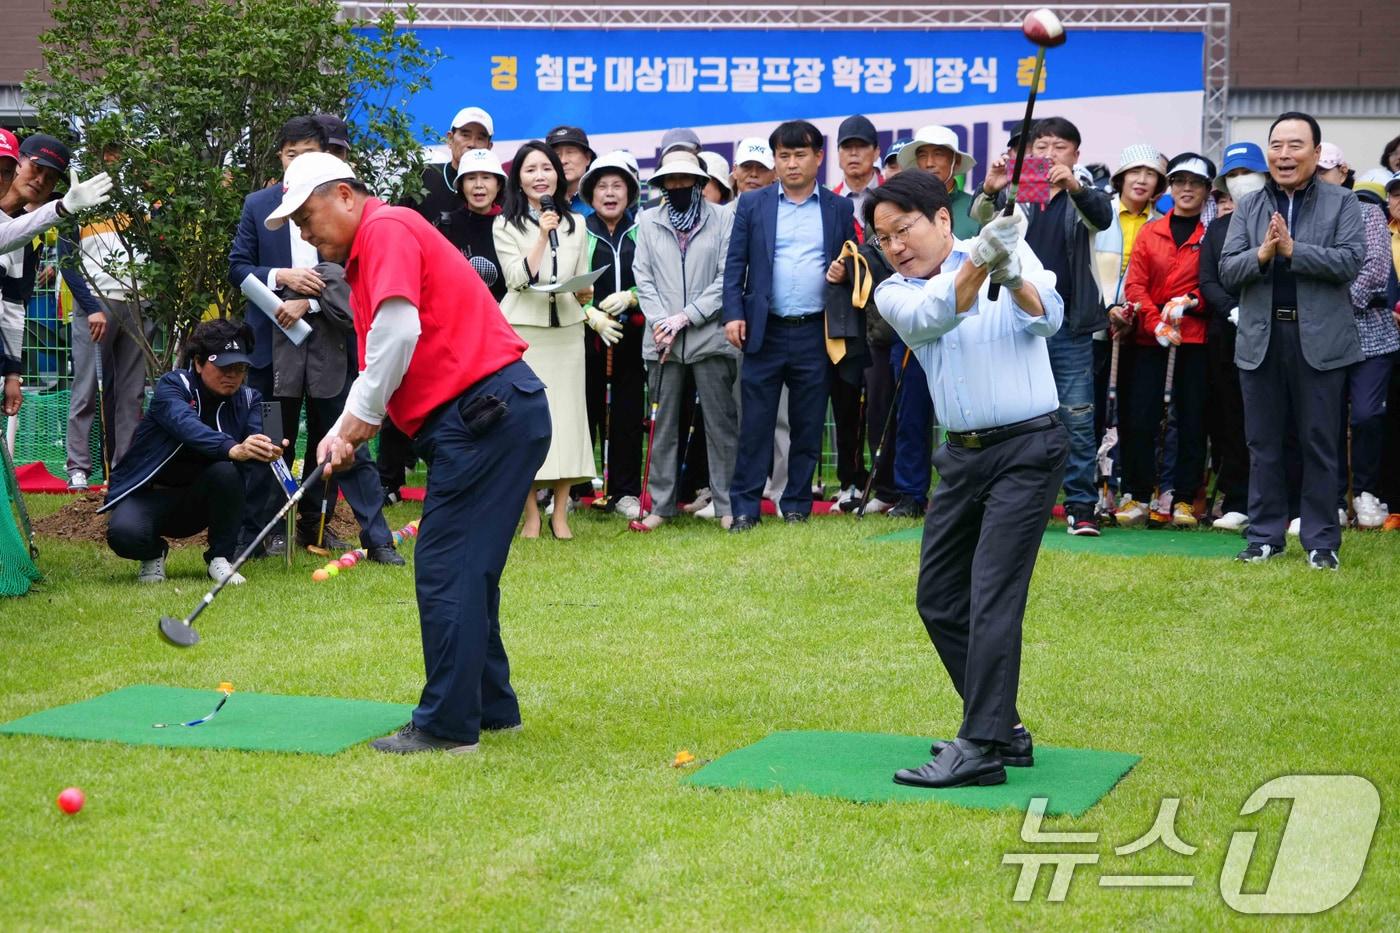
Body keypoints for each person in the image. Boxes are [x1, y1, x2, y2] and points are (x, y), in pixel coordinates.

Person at [272, 152, 550, 755]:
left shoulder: (386, 228)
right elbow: (383, 355)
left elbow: (399, 334)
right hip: (495, 413)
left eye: (306, 215)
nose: (303, 232)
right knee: (467, 565)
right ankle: (493, 708)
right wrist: (346, 424)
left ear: (345, 195)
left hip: (487, 415)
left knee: (447, 565)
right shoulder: (368, 252)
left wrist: (357, 419)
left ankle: (449, 726)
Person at [867, 170, 1066, 789]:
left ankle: (980, 744)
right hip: (961, 456)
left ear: (943, 219)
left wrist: (1012, 274)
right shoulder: (893, 293)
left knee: (992, 593)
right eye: (884, 237)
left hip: (1029, 446)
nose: (895, 245)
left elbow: (1049, 316)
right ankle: (1003, 728)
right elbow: (936, 314)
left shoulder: (1005, 241)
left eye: (904, 229)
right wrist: (984, 258)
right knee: (938, 597)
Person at [227, 115, 400, 563]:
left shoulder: (345, 213)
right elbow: (238, 267)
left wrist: (312, 301)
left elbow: (351, 277)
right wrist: (280, 278)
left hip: (331, 347)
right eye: (290, 155)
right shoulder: (258, 204)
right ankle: (255, 534)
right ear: (278, 157)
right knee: (268, 440)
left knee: (343, 441)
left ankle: (352, 532)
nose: (298, 163)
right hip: (271, 353)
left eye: (308, 155)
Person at [1220, 112, 1366, 570]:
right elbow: (1227, 271)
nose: (1284, 155)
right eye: (1277, 145)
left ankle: (1322, 541)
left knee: (1319, 441)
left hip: (1321, 341)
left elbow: (1350, 261)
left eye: (1295, 145)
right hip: (1261, 339)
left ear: (1317, 153)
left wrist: (1293, 250)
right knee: (1262, 443)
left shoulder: (1343, 203)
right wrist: (1263, 254)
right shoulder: (1248, 206)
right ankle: (1264, 536)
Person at [973, 117, 1114, 536]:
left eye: (1058, 147)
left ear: (1075, 154)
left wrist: (1073, 185)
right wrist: (991, 187)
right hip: (1018, 319)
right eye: (1041, 147)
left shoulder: (1083, 195)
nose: (1048, 154)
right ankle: (1011, 502)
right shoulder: (1024, 192)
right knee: (1010, 415)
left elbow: (1102, 218)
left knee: (1076, 417)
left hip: (1069, 324)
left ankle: (1081, 506)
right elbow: (982, 221)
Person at [723, 120, 856, 530]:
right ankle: (745, 505)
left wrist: (844, 270)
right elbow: (735, 266)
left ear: (819, 157)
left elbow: (854, 260)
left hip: (816, 331)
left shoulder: (839, 208)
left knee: (808, 421)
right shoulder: (753, 204)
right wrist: (733, 314)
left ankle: (796, 502)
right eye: (784, 156)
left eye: (801, 155)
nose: (792, 164)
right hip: (765, 328)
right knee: (755, 424)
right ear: (775, 160)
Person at [100, 319, 284, 586]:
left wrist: (268, 446)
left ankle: (221, 558)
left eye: (239, 367)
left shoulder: (249, 399)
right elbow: (185, 425)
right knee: (123, 534)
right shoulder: (173, 386)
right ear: (198, 363)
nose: (232, 375)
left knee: (227, 471)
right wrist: (232, 447)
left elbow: (259, 437)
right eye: (224, 366)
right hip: (153, 496)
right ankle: (153, 553)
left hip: (203, 501)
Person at [494, 140, 615, 538]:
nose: (540, 176)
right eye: (530, 170)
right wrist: (542, 236)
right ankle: (530, 513)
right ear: (519, 179)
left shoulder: (577, 223)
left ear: (558, 176)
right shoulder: (505, 224)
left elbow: (581, 283)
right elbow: (517, 279)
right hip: (524, 332)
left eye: (546, 168)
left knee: (567, 420)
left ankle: (560, 512)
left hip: (566, 331)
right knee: (525, 421)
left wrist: (585, 295)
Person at [633, 150, 737, 529]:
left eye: (685, 180)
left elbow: (727, 277)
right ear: (661, 185)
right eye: (670, 181)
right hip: (662, 341)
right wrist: (663, 322)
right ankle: (661, 506)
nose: (677, 187)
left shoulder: (724, 218)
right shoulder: (647, 220)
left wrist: (686, 316)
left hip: (709, 335)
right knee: (663, 425)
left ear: (699, 182)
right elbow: (642, 277)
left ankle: (725, 504)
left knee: (720, 423)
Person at [1119, 153, 1216, 528]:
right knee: (1141, 417)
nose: (1186, 189)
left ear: (1207, 190)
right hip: (1149, 338)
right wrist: (1156, 320)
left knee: (1190, 419)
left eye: (1195, 183)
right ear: (1170, 187)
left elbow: (1215, 284)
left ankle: (1183, 499)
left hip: (1193, 338)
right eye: (1179, 182)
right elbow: (1136, 283)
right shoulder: (1151, 231)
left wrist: (1193, 302)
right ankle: (1138, 496)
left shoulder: (1212, 234)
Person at [58, 145, 154, 491]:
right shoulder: (79, 202)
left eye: (117, 153)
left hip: (139, 302)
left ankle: (124, 467)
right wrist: (91, 306)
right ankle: (78, 468)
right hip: (95, 303)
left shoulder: (141, 202)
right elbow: (67, 261)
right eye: (106, 153)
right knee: (85, 386)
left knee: (131, 393)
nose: (112, 160)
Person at [1197, 142, 1268, 532]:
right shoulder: (1219, 227)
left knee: (1274, 419)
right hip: (1228, 335)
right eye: (1234, 175)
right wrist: (1232, 310)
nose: (1242, 182)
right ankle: (1237, 500)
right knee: (1231, 419)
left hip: (1275, 332)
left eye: (1248, 173)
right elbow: (1207, 278)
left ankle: (1280, 501)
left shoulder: (1281, 219)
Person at [1092, 144, 1165, 521]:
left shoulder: (1162, 223)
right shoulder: (1099, 211)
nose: (1141, 180)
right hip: (1095, 328)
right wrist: (1107, 309)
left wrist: (1134, 312)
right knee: (1091, 413)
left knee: (1138, 415)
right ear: (1120, 178)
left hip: (1140, 330)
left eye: (1150, 174)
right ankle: (1089, 492)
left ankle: (1134, 493)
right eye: (1134, 172)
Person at [1327, 158, 1398, 528]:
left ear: (1343, 173)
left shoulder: (1366, 211)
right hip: (1323, 336)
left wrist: (1335, 305)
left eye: (1328, 171)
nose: (1322, 177)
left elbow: (1374, 268)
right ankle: (1334, 498)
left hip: (1372, 331)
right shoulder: (1302, 212)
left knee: (1368, 414)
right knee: (1329, 417)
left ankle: (1367, 494)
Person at [579, 152, 645, 519]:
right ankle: (575, 488)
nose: (609, 193)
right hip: (588, 335)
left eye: (617, 186)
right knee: (583, 410)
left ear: (630, 192)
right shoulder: (577, 230)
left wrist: (632, 296)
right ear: (590, 194)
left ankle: (624, 491)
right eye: (601, 186)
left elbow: (654, 278)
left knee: (627, 414)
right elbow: (565, 282)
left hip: (631, 335)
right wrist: (590, 315)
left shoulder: (642, 231)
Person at [405, 106, 493, 229]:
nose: (472, 144)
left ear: (489, 147)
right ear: (450, 139)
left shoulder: (497, 188)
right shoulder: (423, 174)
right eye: (465, 135)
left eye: (480, 138)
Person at [442, 147, 508, 303]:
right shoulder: (446, 226)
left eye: (486, 177)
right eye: (471, 178)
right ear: (461, 186)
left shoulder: (511, 225)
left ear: (498, 185)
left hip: (504, 320)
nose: (479, 184)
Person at [831, 115, 882, 234]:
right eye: (847, 147)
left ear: (876, 153)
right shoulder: (829, 202)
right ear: (839, 154)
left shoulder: (893, 193)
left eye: (861, 146)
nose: (853, 153)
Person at [545, 125, 596, 216]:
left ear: (588, 158)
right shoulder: (539, 199)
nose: (563, 161)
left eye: (570, 152)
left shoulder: (602, 198)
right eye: (556, 154)